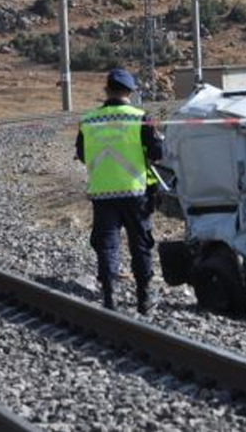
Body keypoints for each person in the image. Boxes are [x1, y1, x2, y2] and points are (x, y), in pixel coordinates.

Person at [76, 68, 163, 313]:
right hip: (136, 192)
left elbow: (82, 155)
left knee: (107, 245)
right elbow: (158, 153)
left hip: (102, 194)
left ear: (106, 90)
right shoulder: (140, 117)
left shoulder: (89, 121)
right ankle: (144, 297)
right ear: (131, 92)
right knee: (140, 244)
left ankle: (109, 296)